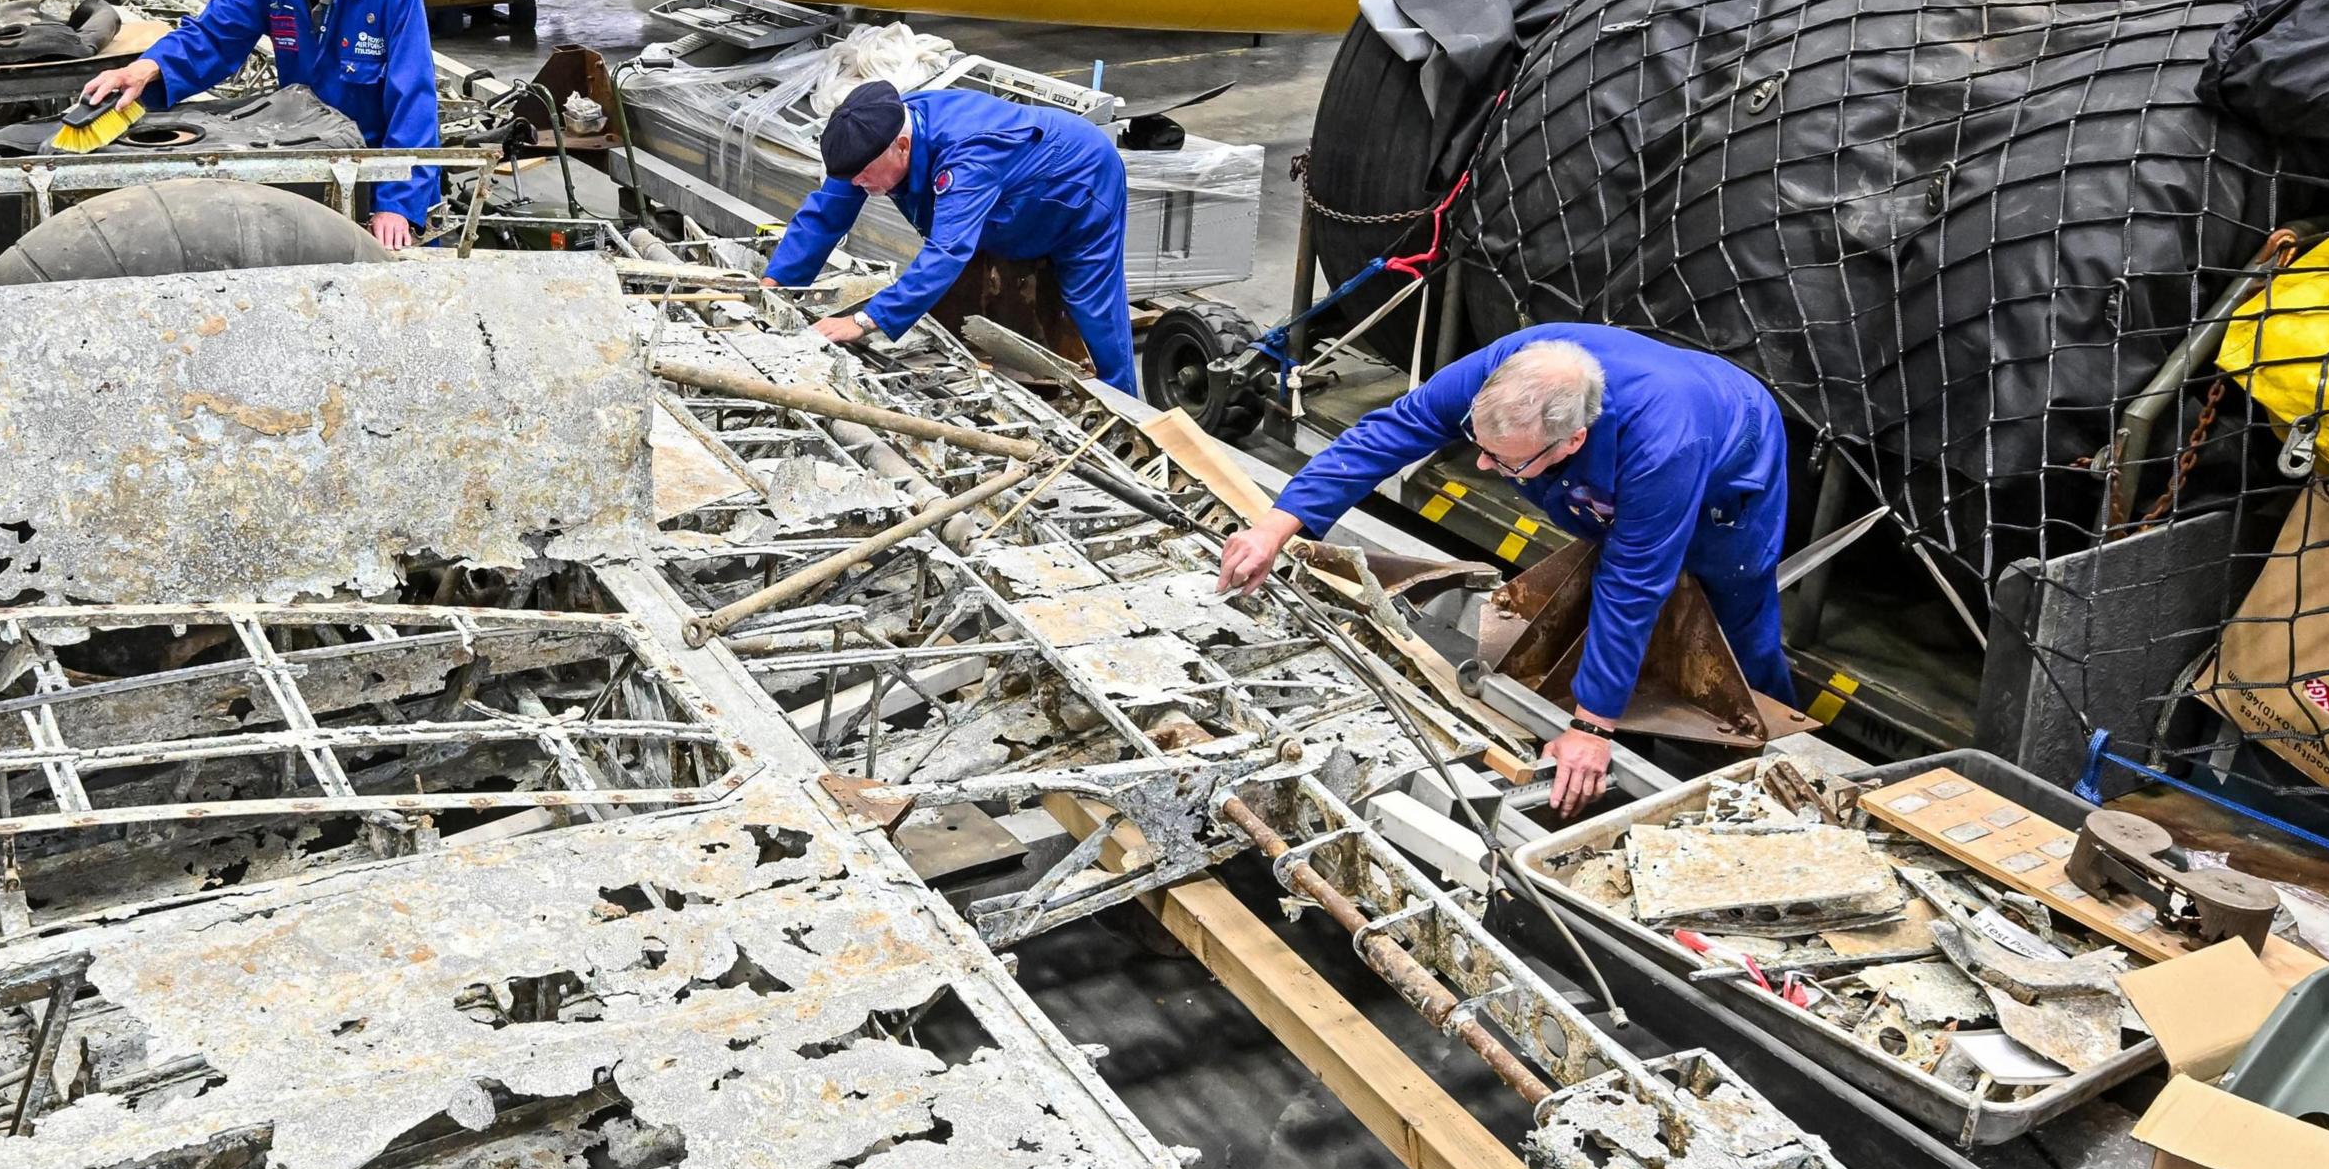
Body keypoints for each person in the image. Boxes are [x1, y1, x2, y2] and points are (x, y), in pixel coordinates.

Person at [1216, 327, 1791, 811]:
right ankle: (1616, 688)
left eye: (1504, 460)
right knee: (1611, 563)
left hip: (1728, 466)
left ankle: (1752, 751)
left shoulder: (1665, 445)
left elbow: (1635, 582)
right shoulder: (1510, 366)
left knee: (1723, 612)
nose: (1484, 466)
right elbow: (1391, 432)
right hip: (1623, 444)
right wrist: (1278, 524)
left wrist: (1592, 731)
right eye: (1479, 445)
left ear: (1573, 441)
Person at [76, 0, 442, 246]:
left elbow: (413, 97)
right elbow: (213, 36)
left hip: (375, 172)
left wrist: (398, 204)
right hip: (309, 157)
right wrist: (145, 69)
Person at [765, 80, 1140, 392]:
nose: (859, 185)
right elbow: (826, 212)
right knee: (973, 298)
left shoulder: (969, 157)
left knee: (1092, 313)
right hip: (1009, 204)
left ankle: (1131, 417)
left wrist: (863, 321)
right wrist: (773, 286)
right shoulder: (871, 135)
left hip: (1081, 186)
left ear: (903, 146)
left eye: (864, 176)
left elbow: (946, 252)